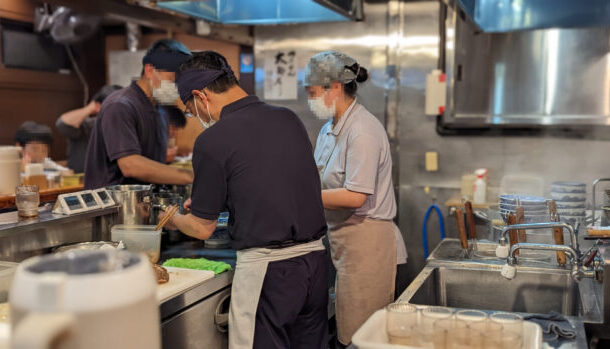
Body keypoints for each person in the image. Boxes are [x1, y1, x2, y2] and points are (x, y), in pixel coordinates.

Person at [161, 51, 329, 349]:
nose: (195, 117)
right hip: (316, 265)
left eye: (190, 110)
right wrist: (219, 201)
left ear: (201, 95)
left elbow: (201, 229)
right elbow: (270, 182)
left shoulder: (213, 140)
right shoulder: (288, 118)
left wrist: (170, 215)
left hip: (270, 272)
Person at [304, 50, 407, 346]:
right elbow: (317, 179)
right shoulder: (329, 128)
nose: (310, 100)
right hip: (342, 238)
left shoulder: (362, 130)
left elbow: (355, 196)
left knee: (359, 335)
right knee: (349, 327)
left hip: (367, 240)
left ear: (334, 87)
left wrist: (301, 195)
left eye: (313, 93)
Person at [83, 39, 194, 189]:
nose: (178, 86)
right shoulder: (120, 105)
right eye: (173, 79)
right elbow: (130, 165)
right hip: (113, 206)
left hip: (145, 204)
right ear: (149, 70)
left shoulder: (160, 111)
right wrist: (189, 176)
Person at [56, 85, 122, 173]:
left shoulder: (125, 128)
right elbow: (62, 125)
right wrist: (91, 107)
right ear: (99, 106)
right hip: (82, 182)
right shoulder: (87, 126)